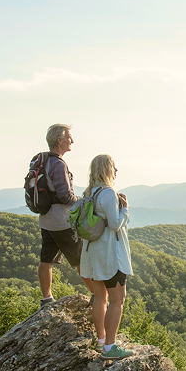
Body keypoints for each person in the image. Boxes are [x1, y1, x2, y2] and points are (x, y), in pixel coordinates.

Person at [80, 154, 133, 360]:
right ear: (106, 169)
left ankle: (101, 340)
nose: (116, 171)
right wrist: (126, 210)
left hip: (93, 253)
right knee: (118, 300)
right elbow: (114, 223)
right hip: (110, 254)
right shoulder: (109, 194)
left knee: (100, 297)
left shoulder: (89, 193)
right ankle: (111, 347)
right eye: (114, 167)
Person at [38, 124, 94, 306]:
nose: (72, 141)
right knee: (81, 260)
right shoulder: (58, 164)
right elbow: (65, 196)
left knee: (46, 259)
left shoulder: (42, 160)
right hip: (62, 222)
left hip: (46, 219)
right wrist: (84, 201)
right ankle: (98, 295)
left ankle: (46, 298)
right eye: (69, 137)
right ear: (60, 140)